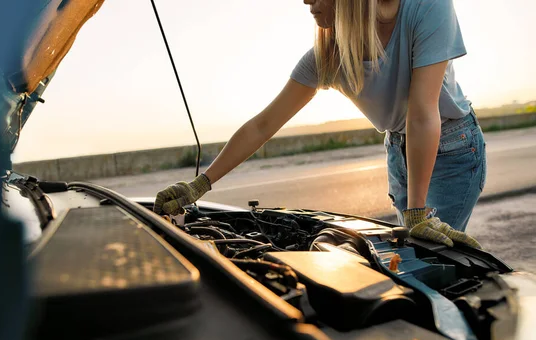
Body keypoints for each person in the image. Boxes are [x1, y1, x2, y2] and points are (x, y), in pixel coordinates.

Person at [154, 0, 485, 249]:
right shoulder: (326, 56)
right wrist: (199, 185)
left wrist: (416, 213)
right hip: (400, 150)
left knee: (432, 257)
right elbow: (263, 124)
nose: (305, 0)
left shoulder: (427, 7)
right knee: (416, 257)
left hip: (451, 147)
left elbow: (422, 113)